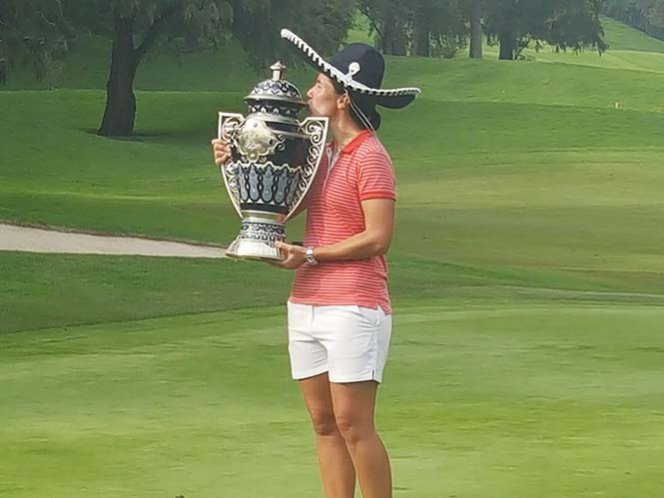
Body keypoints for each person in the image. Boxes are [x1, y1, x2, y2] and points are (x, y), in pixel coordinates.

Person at [212, 29, 420, 498]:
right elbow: (275, 207)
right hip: (306, 300)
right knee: (324, 423)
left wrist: (311, 254)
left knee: (353, 424)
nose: (308, 93)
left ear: (342, 98)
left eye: (318, 86)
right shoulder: (317, 156)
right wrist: (235, 162)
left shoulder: (371, 157)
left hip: (355, 304)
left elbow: (378, 237)